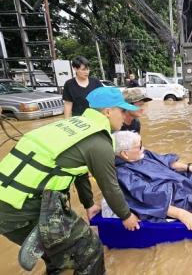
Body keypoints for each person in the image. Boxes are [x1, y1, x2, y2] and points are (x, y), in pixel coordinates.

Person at [0, 87, 141, 274]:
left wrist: (89, 203)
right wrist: (126, 216)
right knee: (91, 250)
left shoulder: (74, 125)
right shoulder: (100, 141)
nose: (125, 116)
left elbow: (78, 170)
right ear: (108, 111)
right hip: (21, 208)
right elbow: (110, 187)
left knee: (59, 257)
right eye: (122, 110)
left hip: (10, 200)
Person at [112, 131, 192, 230]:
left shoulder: (144, 154)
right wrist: (181, 214)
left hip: (179, 184)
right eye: (139, 146)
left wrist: (190, 167)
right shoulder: (124, 173)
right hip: (172, 199)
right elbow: (152, 198)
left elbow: (167, 162)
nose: (143, 148)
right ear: (125, 154)